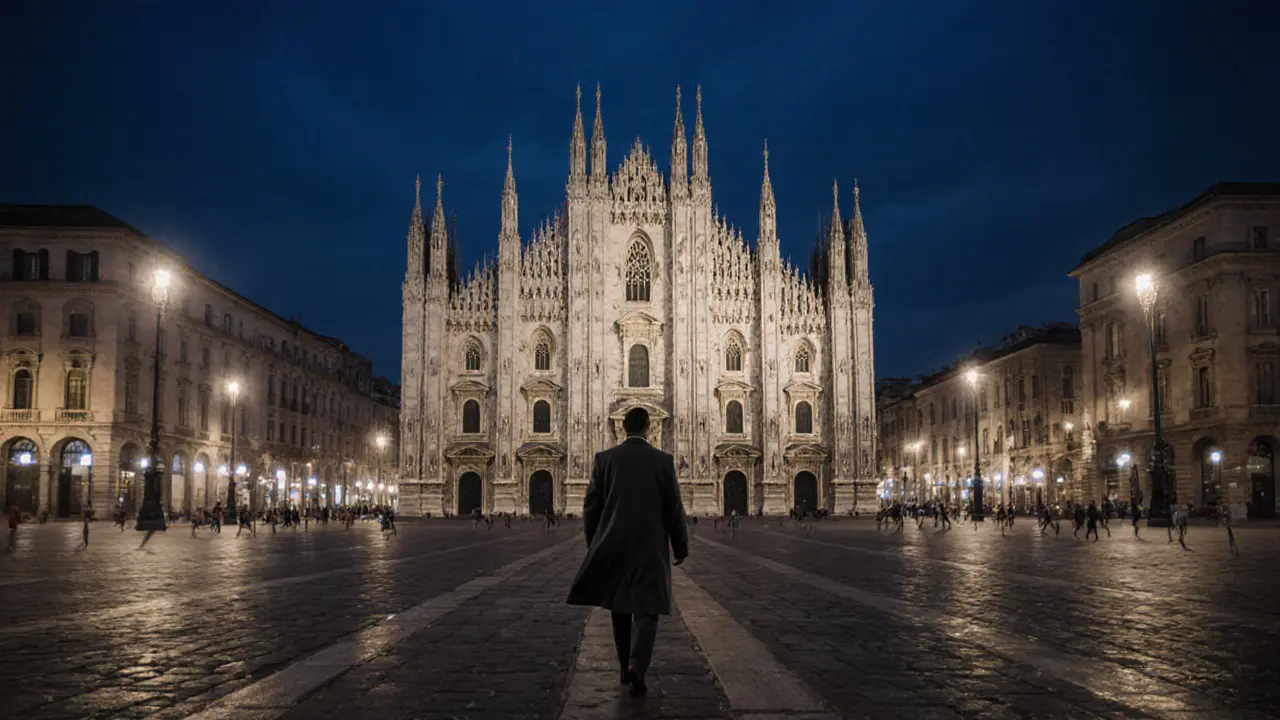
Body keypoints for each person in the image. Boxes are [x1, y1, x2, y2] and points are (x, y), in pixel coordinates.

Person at [566, 407, 689, 699]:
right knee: (647, 609)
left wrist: (595, 542)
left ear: (622, 428)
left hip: (614, 544)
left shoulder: (605, 459)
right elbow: (674, 509)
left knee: (620, 607)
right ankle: (637, 664)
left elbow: (591, 507)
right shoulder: (663, 461)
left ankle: (623, 667)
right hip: (650, 547)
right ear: (649, 427)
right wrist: (680, 546)